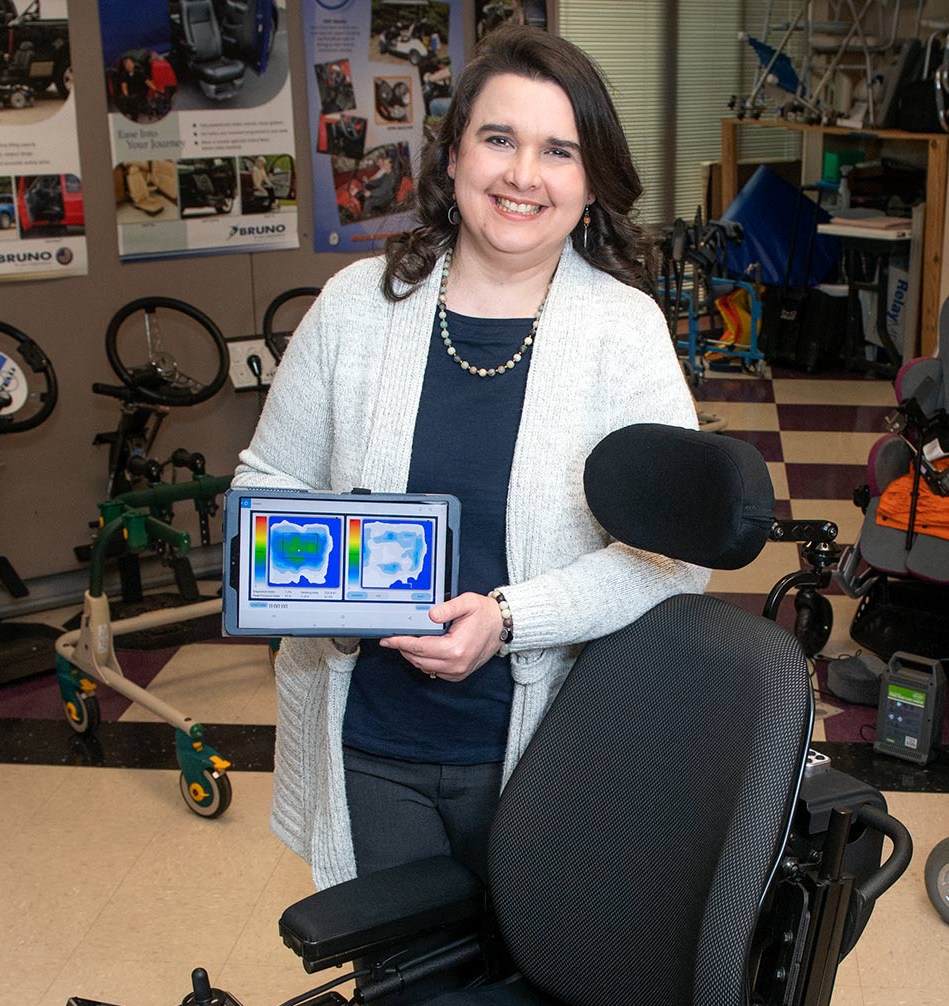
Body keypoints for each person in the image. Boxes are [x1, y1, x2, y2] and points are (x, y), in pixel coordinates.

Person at [236, 26, 699, 887]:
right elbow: (267, 485)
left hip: (551, 753)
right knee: (400, 1004)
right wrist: (340, 596)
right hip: (369, 742)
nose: (523, 175)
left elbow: (675, 558)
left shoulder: (623, 333)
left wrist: (510, 618)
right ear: (452, 160)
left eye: (558, 150)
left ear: (590, 181)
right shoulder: (356, 308)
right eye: (499, 139)